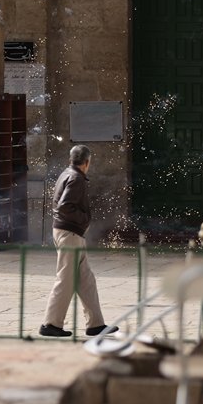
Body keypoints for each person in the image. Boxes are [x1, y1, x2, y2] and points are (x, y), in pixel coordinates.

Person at [39, 144, 117, 338]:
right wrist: (84, 219)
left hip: (70, 233)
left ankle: (95, 324)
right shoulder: (76, 178)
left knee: (86, 280)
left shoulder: (67, 173)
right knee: (65, 279)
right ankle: (50, 324)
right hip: (69, 234)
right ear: (87, 162)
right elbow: (65, 206)